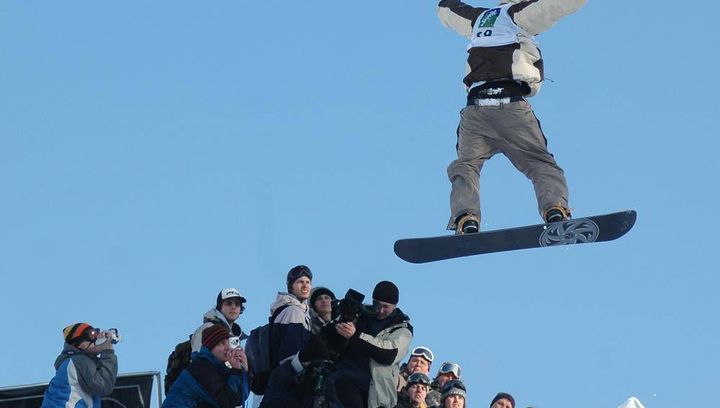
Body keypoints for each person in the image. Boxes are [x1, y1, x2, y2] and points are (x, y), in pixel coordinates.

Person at [437, 0, 587, 234]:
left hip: (475, 109)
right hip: (510, 106)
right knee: (539, 163)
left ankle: (466, 217)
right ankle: (554, 209)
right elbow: (553, 5)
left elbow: (448, 10)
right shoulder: (518, 14)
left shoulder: (479, 19)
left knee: (466, 166)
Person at [331, 280, 414, 408]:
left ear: (395, 305)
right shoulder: (361, 314)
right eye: (377, 304)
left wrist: (356, 336)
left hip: (378, 394)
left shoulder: (402, 329)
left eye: (385, 306)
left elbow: (389, 354)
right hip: (347, 379)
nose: (380, 310)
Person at [163, 324, 249, 408]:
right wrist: (236, 371)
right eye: (221, 343)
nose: (228, 348)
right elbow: (226, 402)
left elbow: (238, 399)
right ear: (211, 347)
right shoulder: (201, 367)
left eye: (228, 343)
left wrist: (244, 370)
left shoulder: (218, 368)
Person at [41, 323, 118, 408]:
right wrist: (108, 352)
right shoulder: (80, 361)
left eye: (96, 334)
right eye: (91, 336)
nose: (96, 339)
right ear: (79, 345)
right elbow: (103, 386)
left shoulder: (70, 362)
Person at [260, 336, 342, 408]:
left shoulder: (324, 377)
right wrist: (299, 393)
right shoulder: (282, 375)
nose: (319, 370)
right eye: (317, 366)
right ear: (305, 364)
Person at [270, 265, 313, 364]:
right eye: (300, 282)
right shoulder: (293, 311)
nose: (305, 285)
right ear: (291, 287)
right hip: (291, 374)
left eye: (308, 282)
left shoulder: (299, 311)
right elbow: (290, 353)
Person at [191, 288, 248, 352]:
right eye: (229, 303)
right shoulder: (207, 328)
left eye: (237, 304)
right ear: (220, 307)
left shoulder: (236, 338)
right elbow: (197, 357)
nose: (233, 307)